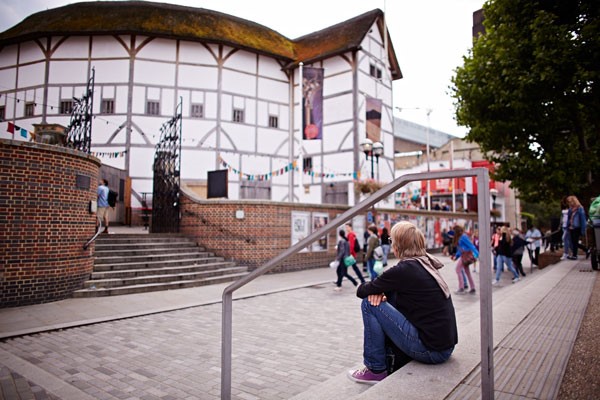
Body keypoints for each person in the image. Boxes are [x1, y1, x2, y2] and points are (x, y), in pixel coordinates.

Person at [347, 221, 457, 385]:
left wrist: (376, 291)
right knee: (382, 297)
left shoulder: (404, 269)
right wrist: (381, 291)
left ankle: (375, 369)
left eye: (392, 241)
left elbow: (362, 290)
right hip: (444, 347)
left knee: (369, 303)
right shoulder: (425, 263)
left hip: (430, 351)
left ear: (398, 245)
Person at [451, 225, 478, 294]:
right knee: (467, 272)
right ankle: (472, 287)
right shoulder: (461, 237)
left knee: (458, 269)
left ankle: (461, 287)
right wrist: (456, 256)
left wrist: (477, 254)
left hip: (465, 256)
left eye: (454, 231)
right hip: (464, 256)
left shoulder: (463, 237)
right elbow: (461, 249)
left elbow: (470, 245)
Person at [566, 195, 589, 260]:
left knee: (575, 242)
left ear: (574, 201)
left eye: (570, 202)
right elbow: (569, 218)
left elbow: (583, 220)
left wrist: (583, 229)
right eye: (569, 202)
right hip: (571, 227)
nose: (569, 203)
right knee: (572, 242)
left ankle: (575, 255)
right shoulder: (570, 209)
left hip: (577, 227)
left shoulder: (580, 209)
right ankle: (586, 250)